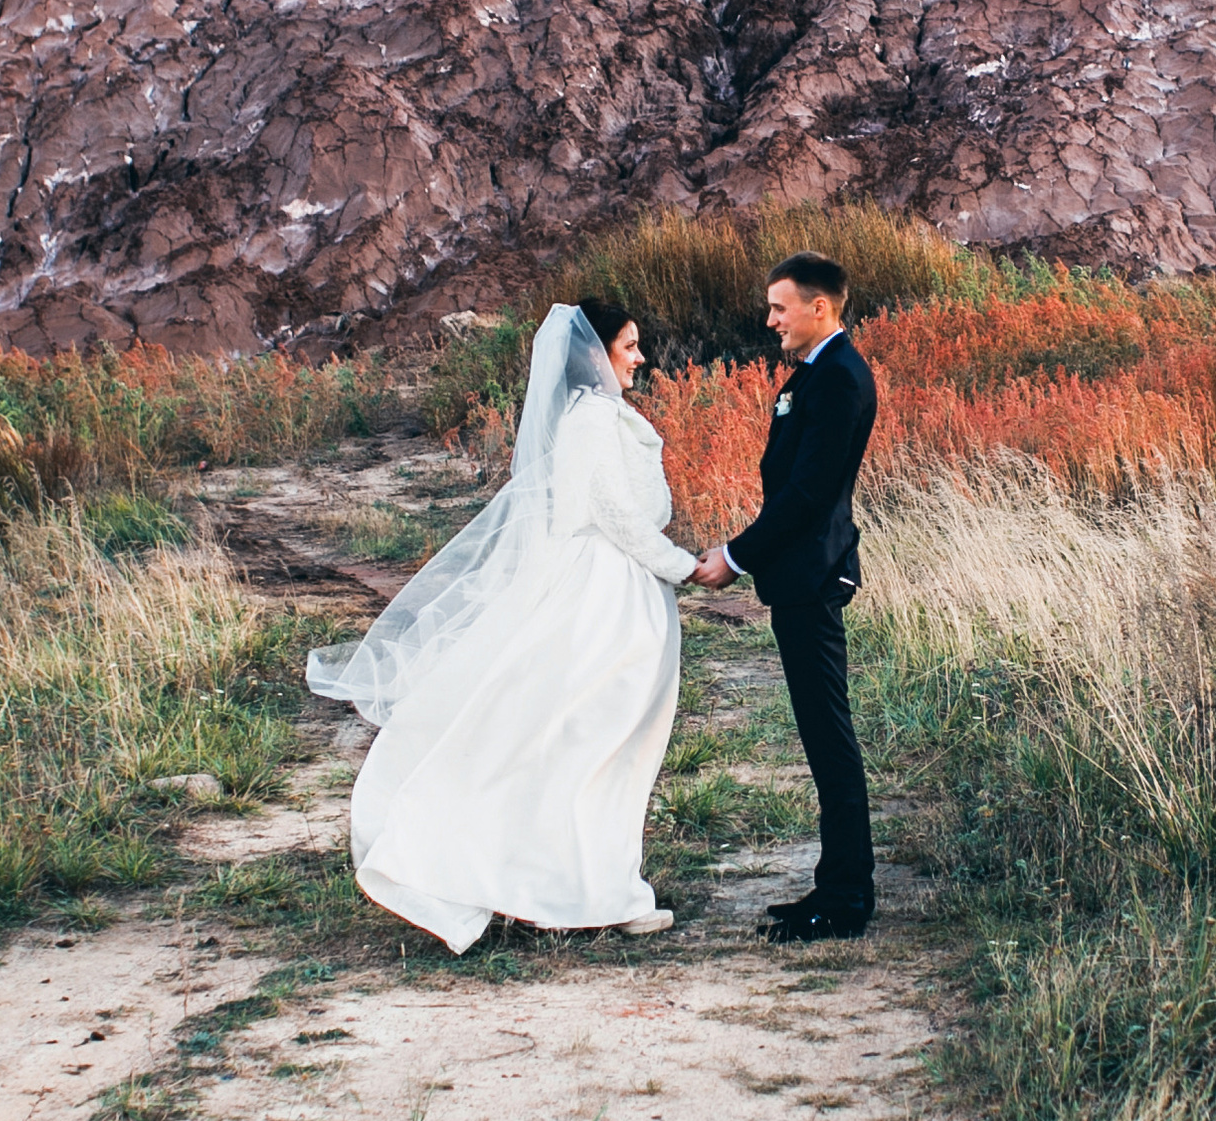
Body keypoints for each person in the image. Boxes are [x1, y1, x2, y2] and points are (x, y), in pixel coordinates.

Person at [306, 298, 697, 952]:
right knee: (593, 740)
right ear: (596, 355)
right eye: (628, 345)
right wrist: (687, 567)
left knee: (589, 742)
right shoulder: (595, 422)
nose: (639, 357)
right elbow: (618, 518)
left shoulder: (592, 417)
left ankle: (587, 885)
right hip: (600, 597)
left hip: (605, 586)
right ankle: (575, 887)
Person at [689, 253, 879, 943]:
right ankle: (837, 888)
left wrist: (736, 558)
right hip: (802, 576)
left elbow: (807, 495)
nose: (770, 320)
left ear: (819, 307)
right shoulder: (814, 374)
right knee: (821, 735)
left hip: (815, 576)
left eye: (779, 307)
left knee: (830, 738)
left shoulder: (839, 379)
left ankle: (847, 899)